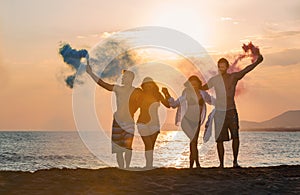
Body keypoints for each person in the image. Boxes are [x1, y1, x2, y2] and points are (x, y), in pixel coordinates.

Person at [201, 50, 263, 168]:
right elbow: (203, 87)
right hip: (219, 112)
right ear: (218, 67)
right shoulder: (214, 80)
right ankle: (221, 164)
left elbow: (246, 70)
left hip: (231, 110)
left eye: (223, 66)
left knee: (235, 136)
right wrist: (193, 83)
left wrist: (257, 62)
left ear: (227, 67)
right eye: (219, 66)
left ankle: (235, 162)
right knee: (219, 139)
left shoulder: (233, 77)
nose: (221, 68)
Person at [86, 61, 141, 169]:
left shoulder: (136, 91)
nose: (122, 78)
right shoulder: (118, 89)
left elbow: (144, 102)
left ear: (130, 79)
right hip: (117, 122)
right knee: (118, 149)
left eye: (124, 77)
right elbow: (102, 84)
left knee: (128, 147)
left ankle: (127, 167)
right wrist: (91, 73)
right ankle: (121, 168)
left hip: (129, 122)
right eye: (123, 77)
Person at [162, 76, 214, 168]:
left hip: (196, 122)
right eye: (191, 83)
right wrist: (167, 94)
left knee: (193, 142)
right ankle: (197, 164)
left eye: (195, 83)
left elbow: (212, 101)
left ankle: (191, 165)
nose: (194, 85)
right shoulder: (186, 94)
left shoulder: (203, 94)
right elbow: (174, 104)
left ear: (199, 84)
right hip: (187, 121)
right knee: (193, 141)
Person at [136, 77, 170, 169]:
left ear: (153, 85)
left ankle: (149, 165)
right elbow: (134, 106)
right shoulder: (141, 94)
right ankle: (148, 165)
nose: (148, 85)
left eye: (149, 83)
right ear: (143, 86)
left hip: (154, 123)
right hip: (142, 122)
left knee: (151, 146)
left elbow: (168, 105)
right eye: (146, 84)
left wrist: (166, 94)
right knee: (148, 144)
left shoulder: (157, 95)